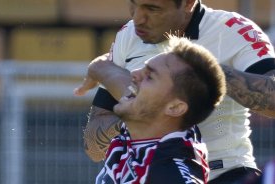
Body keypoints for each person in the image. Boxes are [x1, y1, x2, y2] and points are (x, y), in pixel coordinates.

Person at [74, 0, 275, 183]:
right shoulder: (128, 35)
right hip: (143, 174)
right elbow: (93, 148)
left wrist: (205, 71)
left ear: (188, 3)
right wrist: (142, 117)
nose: (138, 18)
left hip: (227, 174)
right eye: (134, 4)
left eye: (152, 8)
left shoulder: (233, 29)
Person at [92, 37, 226, 184]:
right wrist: (95, 68)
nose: (134, 73)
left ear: (175, 108)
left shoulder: (170, 172)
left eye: (149, 76)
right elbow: (108, 73)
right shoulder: (142, 127)